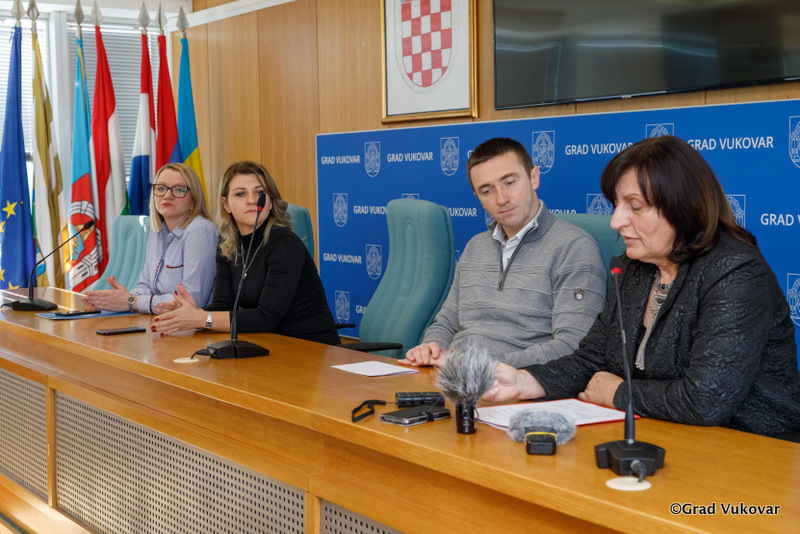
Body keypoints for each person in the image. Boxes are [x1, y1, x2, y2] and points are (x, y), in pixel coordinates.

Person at [483, 135, 800, 439]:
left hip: (755, 444)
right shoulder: (634, 267)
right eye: (616, 204)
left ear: (683, 206)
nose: (616, 221)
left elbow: (706, 399)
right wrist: (524, 381)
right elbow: (591, 360)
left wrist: (618, 392)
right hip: (664, 431)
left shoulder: (736, 271)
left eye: (634, 206)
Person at [400, 137, 606, 367]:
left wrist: (480, 365)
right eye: (487, 190)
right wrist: (431, 348)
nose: (501, 199)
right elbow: (446, 323)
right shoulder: (475, 246)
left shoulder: (575, 247)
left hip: (516, 380)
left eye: (509, 182)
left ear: (534, 177)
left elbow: (572, 346)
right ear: (478, 198)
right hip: (453, 373)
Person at [153, 161, 340, 345]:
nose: (252, 200)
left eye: (259, 193)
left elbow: (266, 318)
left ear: (270, 202)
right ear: (226, 205)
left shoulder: (285, 244)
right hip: (266, 344)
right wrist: (192, 312)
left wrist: (202, 319)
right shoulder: (228, 246)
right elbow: (223, 305)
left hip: (311, 347)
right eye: (240, 193)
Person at [82, 163, 218, 314]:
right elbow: (146, 285)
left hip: (195, 325)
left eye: (179, 190)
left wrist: (132, 301)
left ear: (194, 200)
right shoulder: (157, 230)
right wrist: (119, 299)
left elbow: (192, 300)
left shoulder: (200, 230)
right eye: (161, 188)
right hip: (161, 319)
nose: (167, 195)